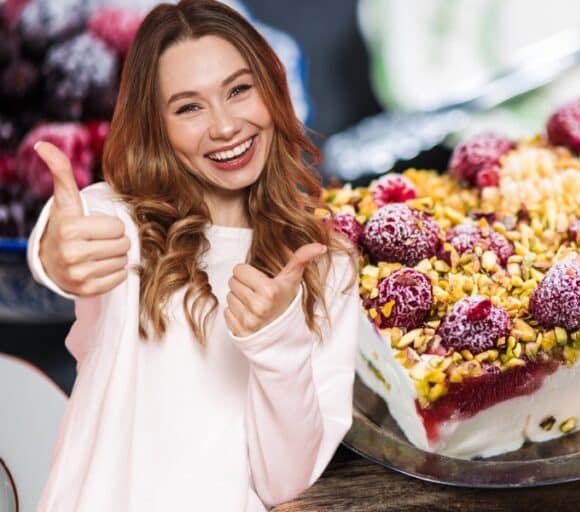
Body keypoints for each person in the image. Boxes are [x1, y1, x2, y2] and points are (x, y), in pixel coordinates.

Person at [25, 1, 363, 510]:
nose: (225, 126)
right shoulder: (122, 224)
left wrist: (277, 342)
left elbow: (282, 483)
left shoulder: (326, 264)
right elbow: (71, 236)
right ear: (155, 125)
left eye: (239, 90)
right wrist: (52, 257)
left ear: (273, 89)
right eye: (189, 107)